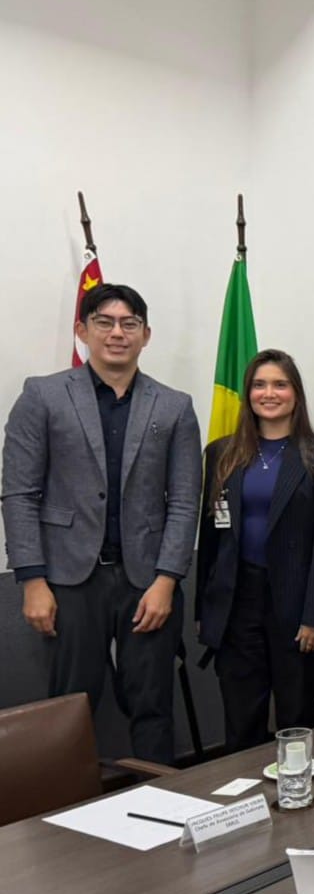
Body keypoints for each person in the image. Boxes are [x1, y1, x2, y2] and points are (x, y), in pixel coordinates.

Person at [5, 284, 201, 764]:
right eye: (105, 322)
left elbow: (183, 502)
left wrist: (166, 581)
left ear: (145, 335)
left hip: (146, 580)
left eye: (129, 323)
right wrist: (32, 579)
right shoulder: (43, 395)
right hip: (70, 579)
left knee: (152, 703)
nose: (117, 333)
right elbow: (19, 493)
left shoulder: (174, 406)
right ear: (83, 330)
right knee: (70, 705)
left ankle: (158, 812)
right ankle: (63, 824)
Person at [195, 351, 314, 749]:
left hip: (297, 611)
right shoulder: (221, 454)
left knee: (296, 721)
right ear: (248, 394)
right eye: (260, 385)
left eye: (280, 384)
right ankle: (244, 805)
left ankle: (298, 805)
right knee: (241, 721)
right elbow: (210, 538)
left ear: (296, 393)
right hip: (235, 606)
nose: (269, 393)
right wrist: (203, 613)